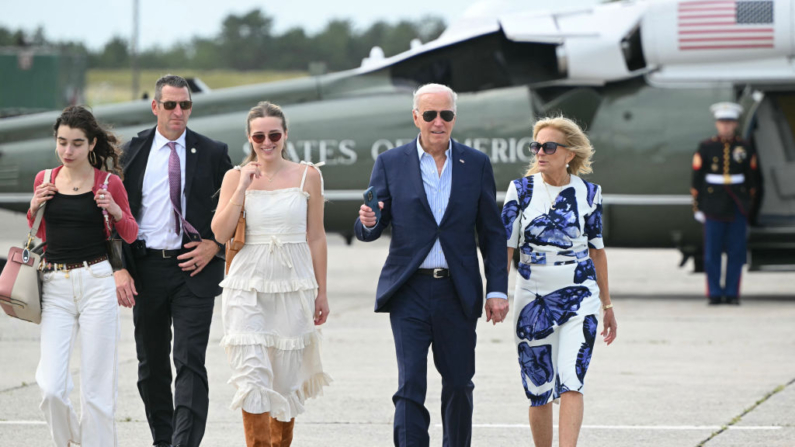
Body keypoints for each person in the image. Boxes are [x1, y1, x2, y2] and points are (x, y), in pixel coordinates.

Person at [355, 83, 509, 447]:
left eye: (446, 115)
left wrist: (498, 289)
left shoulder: (476, 164)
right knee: (410, 385)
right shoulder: (391, 163)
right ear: (415, 117)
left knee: (458, 383)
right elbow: (370, 227)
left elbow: (492, 232)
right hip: (409, 290)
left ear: (454, 118)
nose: (438, 122)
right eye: (430, 115)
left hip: (457, 292)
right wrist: (369, 221)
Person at [113, 74, 232, 447]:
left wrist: (215, 245)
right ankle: (162, 440)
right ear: (155, 107)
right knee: (151, 366)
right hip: (145, 269)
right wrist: (120, 267)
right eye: (170, 105)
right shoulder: (130, 153)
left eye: (185, 105)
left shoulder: (213, 152)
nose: (178, 112)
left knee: (189, 360)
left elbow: (234, 210)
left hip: (193, 269)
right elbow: (113, 217)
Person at [212, 101, 331, 446]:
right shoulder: (236, 176)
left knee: (285, 379)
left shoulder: (309, 175)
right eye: (259, 136)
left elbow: (317, 236)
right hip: (247, 284)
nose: (267, 142)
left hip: (293, 286)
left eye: (274, 134)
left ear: (285, 135)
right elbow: (219, 233)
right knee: (252, 376)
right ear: (249, 138)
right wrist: (241, 189)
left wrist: (321, 292)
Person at [501, 116, 617, 447]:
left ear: (569, 154)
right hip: (531, 295)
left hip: (581, 297)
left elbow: (597, 253)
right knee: (538, 388)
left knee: (572, 381)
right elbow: (506, 247)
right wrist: (497, 292)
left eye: (549, 146)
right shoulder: (520, 191)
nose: (540, 152)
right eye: (536, 146)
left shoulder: (589, 193)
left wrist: (607, 305)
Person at [28, 105, 138, 446]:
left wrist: (116, 210)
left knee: (97, 389)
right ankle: (75, 439)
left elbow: (131, 233)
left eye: (76, 143)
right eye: (62, 142)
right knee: (51, 387)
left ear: (91, 144)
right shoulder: (44, 179)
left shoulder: (109, 182)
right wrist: (34, 206)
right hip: (55, 286)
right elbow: (40, 234)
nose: (67, 151)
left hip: (97, 283)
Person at [691, 102, 758, 306]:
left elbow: (752, 179)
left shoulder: (744, 147)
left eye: (729, 122)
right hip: (713, 203)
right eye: (722, 122)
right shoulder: (706, 146)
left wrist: (748, 205)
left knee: (736, 251)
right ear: (717, 124)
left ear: (735, 124)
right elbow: (697, 179)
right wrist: (698, 206)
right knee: (712, 252)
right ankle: (714, 292)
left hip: (737, 202)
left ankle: (731, 293)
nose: (726, 126)